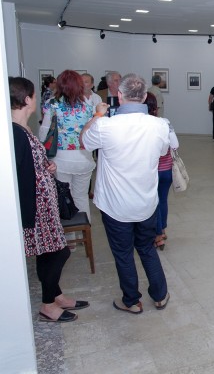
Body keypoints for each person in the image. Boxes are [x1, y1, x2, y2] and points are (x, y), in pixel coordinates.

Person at [80, 73, 170, 314]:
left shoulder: (105, 125)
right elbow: (163, 151)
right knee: (147, 248)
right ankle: (160, 295)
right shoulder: (159, 125)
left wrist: (97, 114)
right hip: (146, 203)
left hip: (115, 205)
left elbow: (84, 142)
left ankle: (131, 300)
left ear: (119, 96)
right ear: (143, 96)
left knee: (123, 254)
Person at [11, 77, 89, 323]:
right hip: (35, 206)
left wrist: (48, 167)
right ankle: (48, 304)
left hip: (44, 201)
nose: (37, 99)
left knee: (50, 252)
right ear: (26, 100)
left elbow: (31, 163)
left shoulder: (23, 129)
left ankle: (56, 296)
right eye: (33, 96)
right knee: (57, 252)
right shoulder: (15, 133)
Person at [39, 70, 95, 224]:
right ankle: (85, 230)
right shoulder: (87, 105)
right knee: (81, 196)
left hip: (61, 159)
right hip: (84, 157)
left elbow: (44, 132)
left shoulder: (52, 104)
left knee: (64, 197)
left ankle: (70, 239)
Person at [146, 92, 179, 250]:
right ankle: (163, 230)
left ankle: (158, 235)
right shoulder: (165, 122)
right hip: (166, 170)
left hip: (151, 171)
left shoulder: (142, 125)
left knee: (154, 202)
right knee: (163, 200)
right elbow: (175, 145)